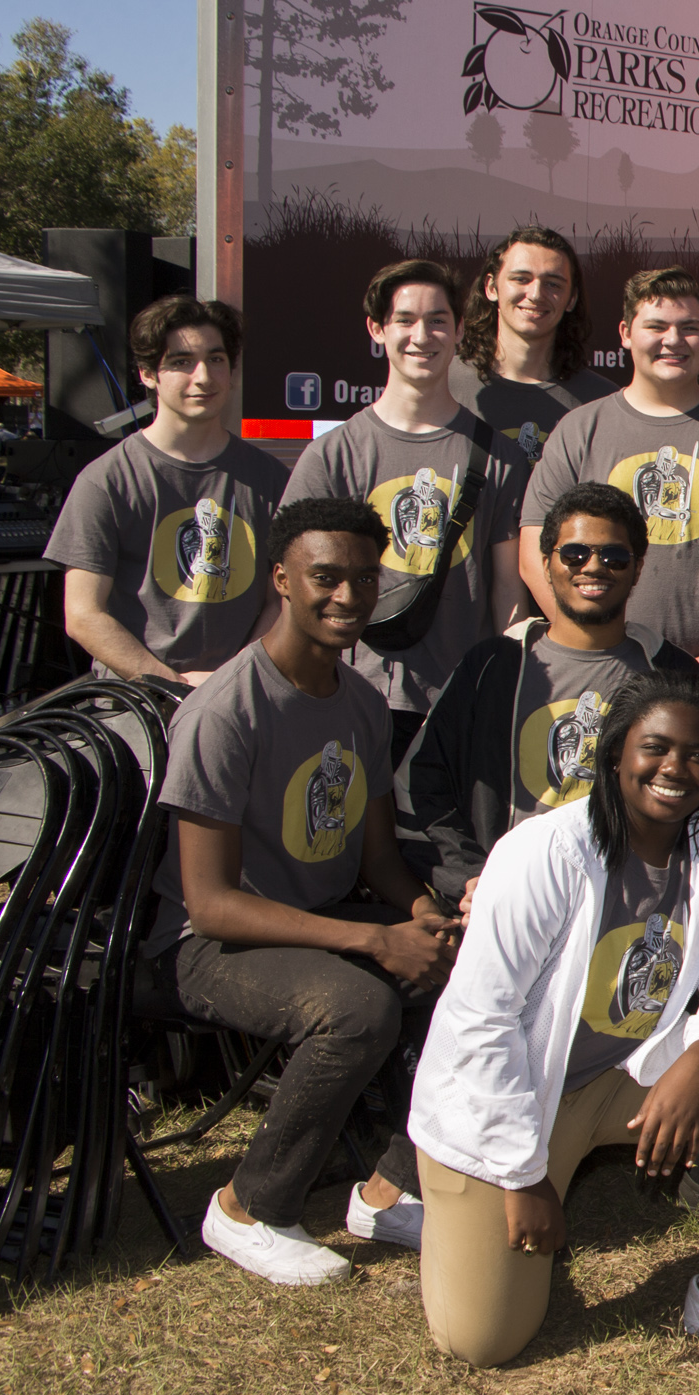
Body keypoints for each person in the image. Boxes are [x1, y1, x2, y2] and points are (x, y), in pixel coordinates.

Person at [404, 672, 699, 1364]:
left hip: (616, 1075)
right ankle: (457, 1206)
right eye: (656, 749)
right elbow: (484, 1023)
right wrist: (523, 1176)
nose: (675, 769)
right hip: (506, 1101)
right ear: (614, 756)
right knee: (482, 1342)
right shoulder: (543, 853)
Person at [131, 498, 460, 1287]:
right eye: (325, 577)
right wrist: (374, 940)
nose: (347, 596)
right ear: (281, 579)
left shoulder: (359, 703)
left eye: (363, 579)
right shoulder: (226, 711)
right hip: (204, 946)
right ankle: (248, 1206)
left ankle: (388, 1189)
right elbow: (209, 903)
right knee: (359, 1009)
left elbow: (378, 857)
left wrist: (423, 916)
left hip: (311, 921)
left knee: (477, 968)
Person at [399, 481, 696, 905]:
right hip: (510, 903)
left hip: (630, 909)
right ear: (546, 562)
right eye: (575, 554)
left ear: (638, 567)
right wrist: (466, 878)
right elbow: (420, 786)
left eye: (614, 556)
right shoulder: (491, 667)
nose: (593, 567)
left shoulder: (676, 677)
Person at [287, 260, 533, 767]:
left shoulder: (498, 457)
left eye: (438, 320)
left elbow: (509, 590)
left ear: (460, 330)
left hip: (458, 705)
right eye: (404, 320)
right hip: (351, 698)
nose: (422, 335)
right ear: (377, 329)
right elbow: (293, 588)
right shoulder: (334, 455)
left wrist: (499, 686)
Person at [521, 267, 699, 687]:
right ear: (625, 332)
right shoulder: (580, 430)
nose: (673, 341)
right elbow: (534, 556)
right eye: (656, 326)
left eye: (689, 328)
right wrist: (590, 641)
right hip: (600, 675)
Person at [50, 294, 287, 682]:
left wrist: (231, 682)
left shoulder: (272, 479)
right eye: (181, 362)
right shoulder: (105, 481)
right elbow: (83, 615)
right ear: (147, 373)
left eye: (216, 359)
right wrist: (170, 685)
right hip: (135, 704)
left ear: (233, 369)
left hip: (240, 698)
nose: (204, 377)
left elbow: (281, 599)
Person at [451, 225, 617, 464]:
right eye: (521, 279)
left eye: (553, 284)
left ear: (571, 299)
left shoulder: (601, 402)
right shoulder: (444, 385)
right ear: (491, 287)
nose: (536, 294)